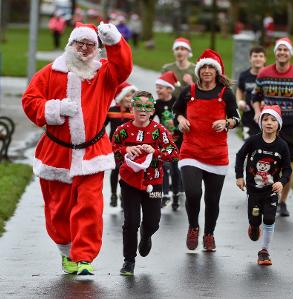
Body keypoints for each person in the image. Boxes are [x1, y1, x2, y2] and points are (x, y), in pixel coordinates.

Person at [22, 22, 132, 275]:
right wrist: (55, 109)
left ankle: (84, 257)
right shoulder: (50, 72)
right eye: (79, 44)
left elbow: (124, 67)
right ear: (70, 44)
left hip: (92, 152)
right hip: (56, 152)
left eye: (90, 44)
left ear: (97, 48)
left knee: (90, 204)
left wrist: (114, 41)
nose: (84, 49)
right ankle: (66, 249)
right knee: (58, 207)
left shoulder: (105, 72)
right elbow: (30, 100)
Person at [173, 49, 240, 252]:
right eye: (204, 67)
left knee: (212, 199)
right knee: (193, 193)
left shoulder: (225, 94)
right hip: (190, 150)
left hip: (216, 154)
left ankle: (209, 234)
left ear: (217, 71)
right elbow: (177, 110)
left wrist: (226, 122)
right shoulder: (189, 92)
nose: (207, 71)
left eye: (211, 67)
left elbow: (237, 118)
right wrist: (181, 119)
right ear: (199, 70)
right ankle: (193, 226)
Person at [112, 91, 179, 276]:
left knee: (153, 222)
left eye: (147, 106)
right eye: (139, 106)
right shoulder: (122, 130)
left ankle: (146, 235)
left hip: (154, 181)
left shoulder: (159, 130)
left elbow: (173, 154)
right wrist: (127, 150)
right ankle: (129, 261)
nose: (142, 110)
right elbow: (113, 151)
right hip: (129, 181)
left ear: (152, 111)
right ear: (132, 108)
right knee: (131, 222)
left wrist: (155, 151)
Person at [252, 37, 293, 217]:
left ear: (290, 54)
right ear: (275, 53)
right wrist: (257, 112)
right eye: (279, 49)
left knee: (288, 165)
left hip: (290, 125)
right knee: (264, 163)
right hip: (269, 125)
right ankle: (264, 197)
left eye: (285, 50)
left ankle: (282, 202)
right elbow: (255, 97)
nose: (281, 53)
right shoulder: (264, 74)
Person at [235, 105, 292, 265]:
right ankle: (253, 227)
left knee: (268, 218)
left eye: (273, 120)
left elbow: (287, 169)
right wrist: (239, 177)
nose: (269, 123)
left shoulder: (282, 146)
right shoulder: (253, 141)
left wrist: (281, 182)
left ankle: (264, 251)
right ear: (261, 122)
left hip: (271, 191)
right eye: (265, 119)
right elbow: (240, 156)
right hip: (253, 190)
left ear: (278, 124)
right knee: (255, 220)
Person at [154, 71, 183, 210]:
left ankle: (176, 194)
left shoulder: (177, 102)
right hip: (164, 141)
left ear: (169, 89)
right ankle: (165, 195)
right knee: (164, 167)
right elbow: (148, 119)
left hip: (178, 141)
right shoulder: (157, 104)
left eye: (161, 87)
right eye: (157, 87)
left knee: (176, 169)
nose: (157, 90)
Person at [106, 82, 138, 207]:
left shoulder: (135, 112)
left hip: (132, 147)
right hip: (115, 146)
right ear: (120, 96)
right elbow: (101, 126)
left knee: (128, 171)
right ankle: (114, 194)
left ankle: (124, 195)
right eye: (127, 96)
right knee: (116, 170)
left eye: (133, 96)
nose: (130, 99)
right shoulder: (112, 111)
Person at [236, 46, 266, 140]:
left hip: (266, 117)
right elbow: (240, 89)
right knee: (248, 145)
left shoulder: (269, 75)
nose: (258, 58)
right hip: (248, 117)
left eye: (261, 56)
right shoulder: (244, 75)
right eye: (255, 56)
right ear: (250, 59)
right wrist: (239, 101)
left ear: (265, 59)